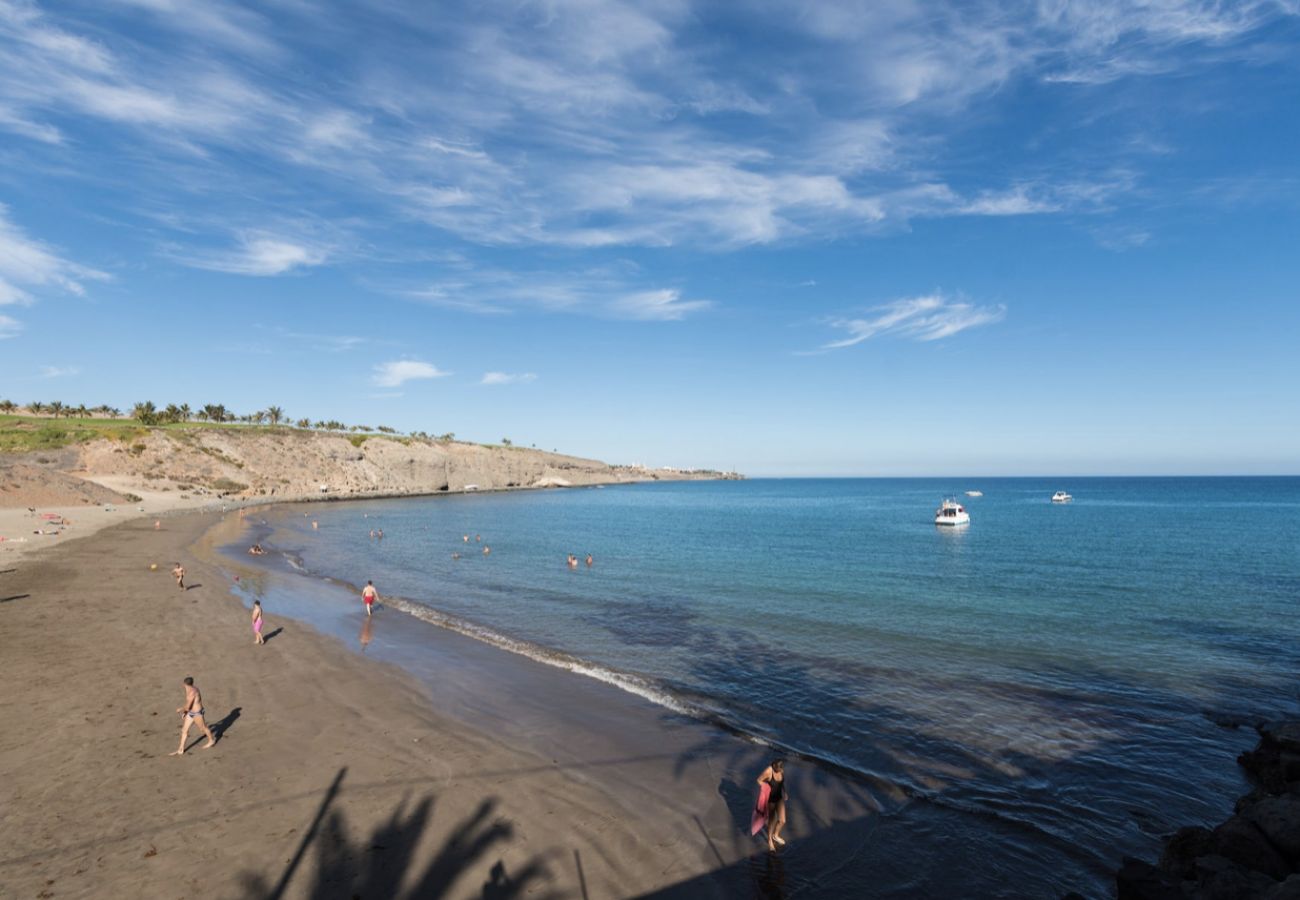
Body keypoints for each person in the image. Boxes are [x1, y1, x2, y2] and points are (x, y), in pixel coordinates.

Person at [170, 677, 215, 756]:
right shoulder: (190, 688)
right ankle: (181, 749)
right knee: (184, 730)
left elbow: (187, 706)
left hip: (197, 713)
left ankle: (211, 741)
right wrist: (185, 713)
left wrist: (181, 709)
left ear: (184, 684)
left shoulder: (192, 692)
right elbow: (189, 705)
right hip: (191, 712)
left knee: (203, 728)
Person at [757, 760, 788, 851]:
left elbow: (781, 783)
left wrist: (784, 792)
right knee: (772, 821)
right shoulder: (769, 771)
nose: (780, 771)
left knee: (782, 820)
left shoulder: (781, 770)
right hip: (770, 800)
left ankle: (775, 835)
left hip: (779, 798)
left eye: (781, 769)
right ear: (774, 765)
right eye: (778, 769)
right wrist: (767, 788)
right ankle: (770, 840)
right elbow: (759, 780)